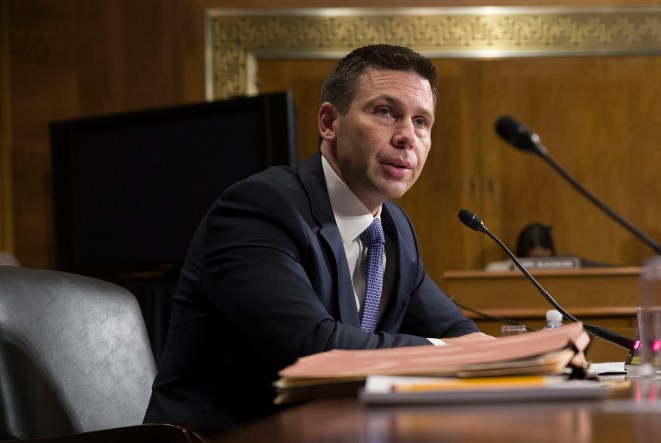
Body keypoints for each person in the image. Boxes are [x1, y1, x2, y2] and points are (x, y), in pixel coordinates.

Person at [143, 44, 481, 436]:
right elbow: (315, 350)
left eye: (421, 121)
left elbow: (455, 330)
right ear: (329, 122)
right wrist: (450, 353)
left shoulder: (393, 230)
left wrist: (516, 355)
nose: (407, 136)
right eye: (385, 112)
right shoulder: (258, 210)